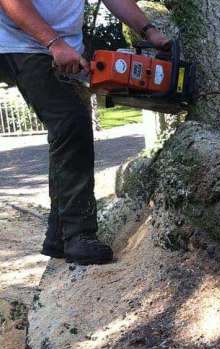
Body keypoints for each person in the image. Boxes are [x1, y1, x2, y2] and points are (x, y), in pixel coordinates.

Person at [0, 0, 169, 265]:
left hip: (66, 44)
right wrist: (54, 44)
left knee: (70, 128)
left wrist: (149, 31)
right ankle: (79, 235)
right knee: (70, 120)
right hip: (22, 43)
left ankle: (59, 235)